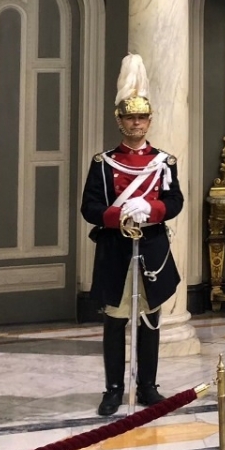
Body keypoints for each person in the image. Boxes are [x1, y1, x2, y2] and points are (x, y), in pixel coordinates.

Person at [81, 53, 184, 416]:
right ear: (119, 119)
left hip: (152, 248)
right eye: (130, 116)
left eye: (142, 116)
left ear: (150, 120)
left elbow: (175, 201)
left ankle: (148, 386)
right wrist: (118, 215)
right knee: (115, 320)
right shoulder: (102, 163)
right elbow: (89, 208)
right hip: (116, 250)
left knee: (150, 318)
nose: (136, 122)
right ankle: (112, 389)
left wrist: (152, 210)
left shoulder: (165, 162)